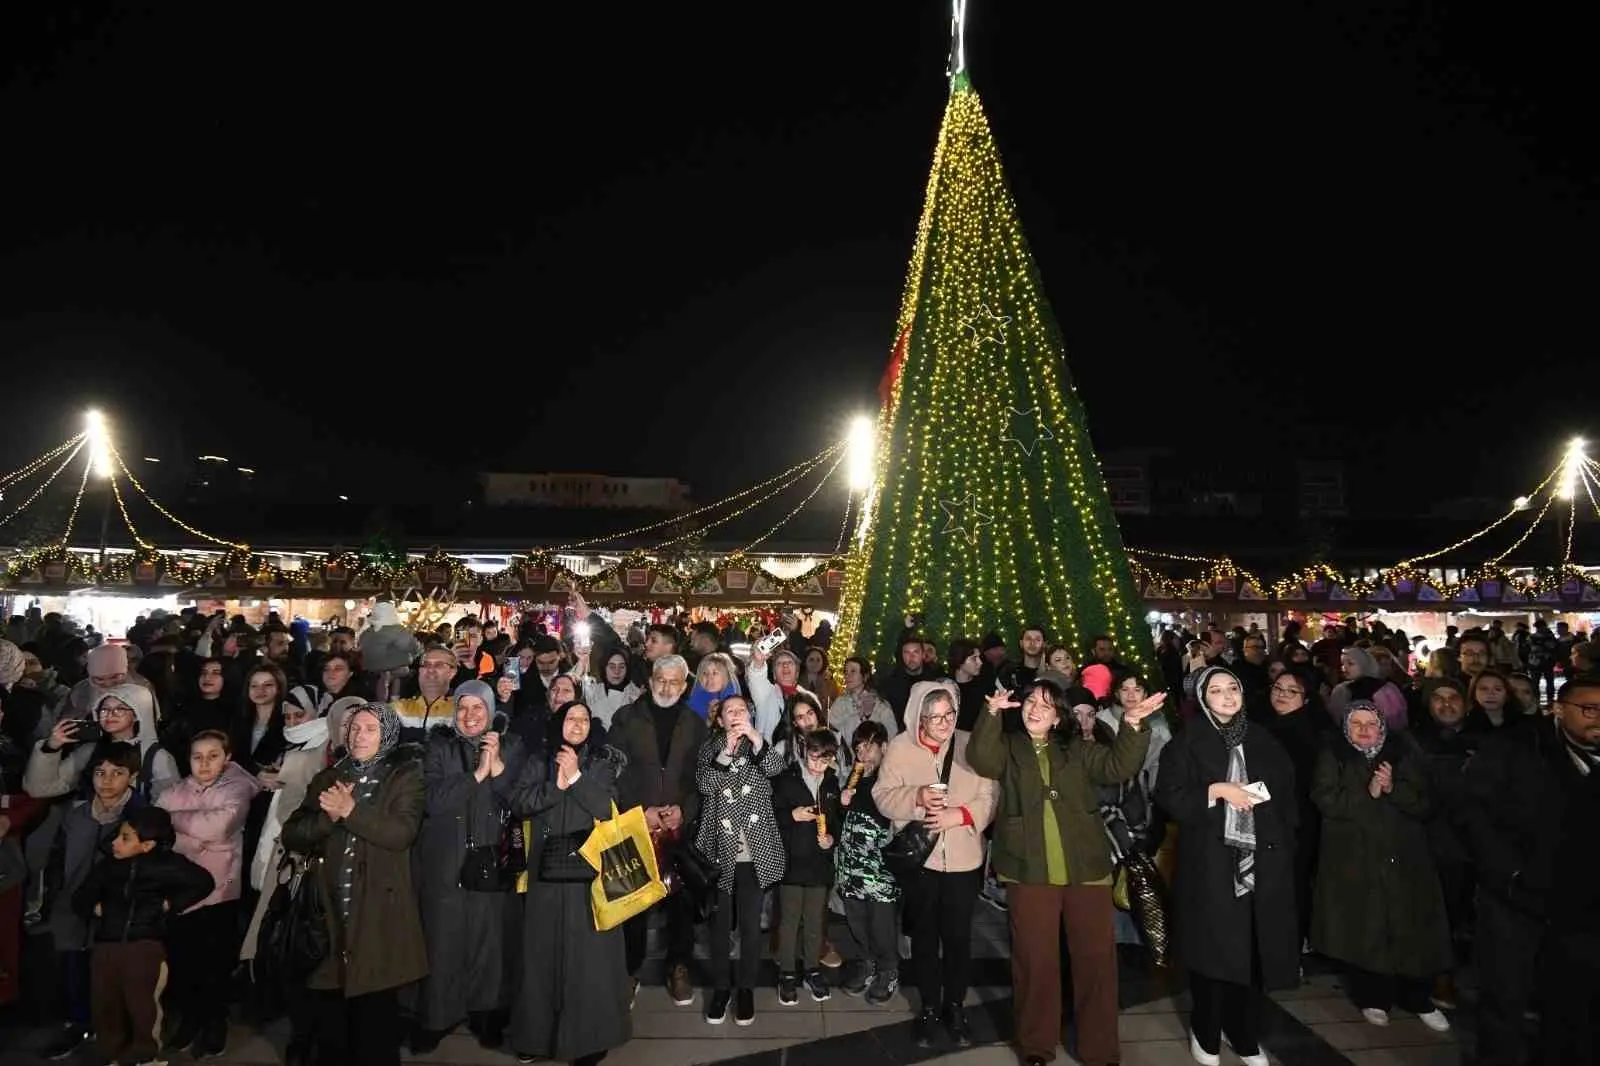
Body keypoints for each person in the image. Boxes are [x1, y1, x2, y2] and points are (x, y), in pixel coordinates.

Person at [966, 678, 1163, 1066]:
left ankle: (1100, 1050)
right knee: (1034, 961)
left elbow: (1118, 765)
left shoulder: (1078, 750)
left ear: (1058, 718)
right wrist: (990, 713)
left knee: (1095, 961)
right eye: (1029, 703)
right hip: (1029, 869)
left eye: (1045, 705)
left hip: (1086, 869)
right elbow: (981, 758)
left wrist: (1133, 723)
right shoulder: (1008, 748)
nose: (1034, 709)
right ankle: (1037, 1047)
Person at [1154, 665, 1299, 1066]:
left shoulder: (1263, 738)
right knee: (1212, 952)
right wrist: (1216, 790)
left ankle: (1244, 1032)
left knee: (1251, 953)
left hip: (1262, 861)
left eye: (1232, 688)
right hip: (1212, 864)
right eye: (1216, 690)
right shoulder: (1187, 743)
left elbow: (1286, 795)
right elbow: (1169, 795)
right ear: (1203, 699)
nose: (1227, 696)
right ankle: (1206, 1030)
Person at [282, 702, 427, 1066]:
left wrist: (351, 812)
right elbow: (295, 833)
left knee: (375, 1025)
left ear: (388, 736)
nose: (360, 736)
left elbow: (400, 833)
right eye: (355, 729)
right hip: (329, 912)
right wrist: (329, 820)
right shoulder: (330, 776)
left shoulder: (404, 776)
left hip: (378, 911)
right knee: (332, 1026)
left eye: (370, 729)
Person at [1309, 701, 1452, 1031]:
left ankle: (1418, 997)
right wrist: (1368, 792)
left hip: (1406, 857)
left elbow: (1426, 802)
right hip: (1354, 856)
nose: (1363, 730)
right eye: (1355, 724)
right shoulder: (1334, 754)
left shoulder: (1404, 752)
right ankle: (1373, 997)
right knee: (1364, 926)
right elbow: (1326, 799)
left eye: (1370, 723)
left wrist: (1392, 788)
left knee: (1414, 927)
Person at [872, 680, 997, 1048]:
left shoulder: (972, 744)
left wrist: (960, 815)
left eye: (950, 714)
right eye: (935, 716)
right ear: (918, 717)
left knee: (958, 939)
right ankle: (928, 1006)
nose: (944, 723)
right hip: (921, 863)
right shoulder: (899, 747)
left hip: (963, 860)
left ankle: (955, 1006)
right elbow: (882, 796)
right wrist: (917, 797)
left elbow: (991, 793)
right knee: (924, 938)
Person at [509, 700, 631, 1066]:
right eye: (569, 718)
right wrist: (555, 786)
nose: (576, 724)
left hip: (590, 877)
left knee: (590, 962)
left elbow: (607, 810)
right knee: (540, 958)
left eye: (582, 719)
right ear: (558, 723)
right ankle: (536, 1036)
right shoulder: (537, 761)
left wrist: (576, 778)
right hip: (546, 875)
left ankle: (591, 1037)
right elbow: (519, 802)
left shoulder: (601, 764)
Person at [411, 680, 526, 1052]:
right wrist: (476, 774)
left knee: (489, 942)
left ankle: (486, 1015)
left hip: (491, 862)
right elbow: (433, 800)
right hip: (445, 862)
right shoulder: (438, 746)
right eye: (463, 708)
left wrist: (499, 770)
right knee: (443, 942)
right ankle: (439, 1016)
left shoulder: (511, 746)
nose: (470, 715)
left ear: (491, 712)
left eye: (479, 708)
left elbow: (522, 800)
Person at [72, 806, 214, 1066]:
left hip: (145, 946)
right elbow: (80, 897)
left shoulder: (167, 865)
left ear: (147, 845)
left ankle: (143, 1055)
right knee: (105, 1002)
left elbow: (204, 882)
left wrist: (170, 904)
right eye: (118, 834)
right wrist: (94, 908)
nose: (115, 842)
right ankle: (109, 1052)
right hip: (107, 944)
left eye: (125, 838)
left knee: (142, 1006)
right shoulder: (109, 867)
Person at [609, 654, 705, 1005]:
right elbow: (613, 774)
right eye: (660, 680)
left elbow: (701, 778)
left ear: (684, 686)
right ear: (650, 681)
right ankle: (628, 970)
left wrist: (685, 810)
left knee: (680, 903)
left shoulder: (695, 724)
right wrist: (638, 811)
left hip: (678, 829)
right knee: (634, 904)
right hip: (637, 825)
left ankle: (678, 966)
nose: (666, 687)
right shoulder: (626, 718)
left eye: (674, 682)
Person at [159, 728, 261, 1056]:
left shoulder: (237, 788)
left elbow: (219, 826)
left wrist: (174, 824)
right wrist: (192, 839)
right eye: (197, 756)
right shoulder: (176, 789)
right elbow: (154, 824)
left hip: (220, 890)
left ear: (227, 758)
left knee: (214, 964)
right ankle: (190, 1020)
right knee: (184, 961)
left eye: (213, 755)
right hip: (180, 892)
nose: (204, 763)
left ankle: (214, 1022)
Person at [695, 693, 786, 1027]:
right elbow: (706, 785)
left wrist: (754, 737)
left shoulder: (758, 745)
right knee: (719, 928)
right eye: (729, 711)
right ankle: (721, 988)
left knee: (750, 925)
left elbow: (777, 769)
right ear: (720, 720)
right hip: (720, 849)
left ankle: (745, 988)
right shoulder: (710, 747)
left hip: (755, 851)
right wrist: (726, 751)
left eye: (741, 710)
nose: (736, 714)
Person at [771, 729, 844, 1004]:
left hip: (819, 864)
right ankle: (787, 973)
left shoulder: (832, 783)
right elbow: (772, 816)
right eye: (813, 759)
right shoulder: (787, 779)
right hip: (791, 862)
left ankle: (812, 969)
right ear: (804, 751)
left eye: (823, 761)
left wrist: (831, 839)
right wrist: (793, 815)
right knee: (790, 921)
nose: (816, 766)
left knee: (815, 920)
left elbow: (836, 820)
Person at [835, 721, 900, 1004]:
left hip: (880, 867)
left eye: (870, 746)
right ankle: (867, 962)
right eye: (859, 747)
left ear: (884, 747)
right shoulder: (854, 776)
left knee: (881, 923)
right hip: (851, 865)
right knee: (857, 920)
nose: (864, 754)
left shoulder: (892, 777)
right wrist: (842, 801)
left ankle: (888, 969)